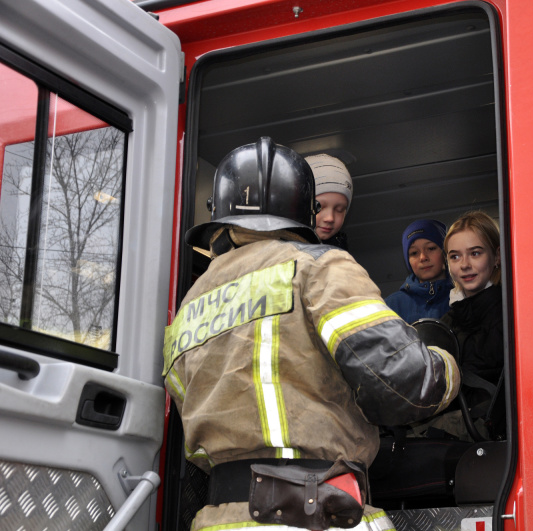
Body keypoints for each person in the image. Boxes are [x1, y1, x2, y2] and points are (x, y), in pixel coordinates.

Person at [163, 137, 460, 531]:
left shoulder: (190, 303)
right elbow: (405, 385)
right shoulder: (318, 267)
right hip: (319, 514)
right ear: (305, 208)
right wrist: (447, 364)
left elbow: (187, 418)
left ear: (218, 213)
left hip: (221, 520)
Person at [440, 210, 505, 440]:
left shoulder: (510, 312)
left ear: (497, 256)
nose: (464, 265)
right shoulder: (449, 319)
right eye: (455, 256)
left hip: (494, 433)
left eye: (475, 253)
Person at [385, 219, 453, 323]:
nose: (423, 257)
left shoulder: (463, 297)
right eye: (414, 253)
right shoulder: (391, 306)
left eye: (431, 248)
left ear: (445, 252)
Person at [305, 153, 352, 250]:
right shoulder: (278, 248)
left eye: (339, 209)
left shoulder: (340, 254)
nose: (330, 218)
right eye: (319, 206)